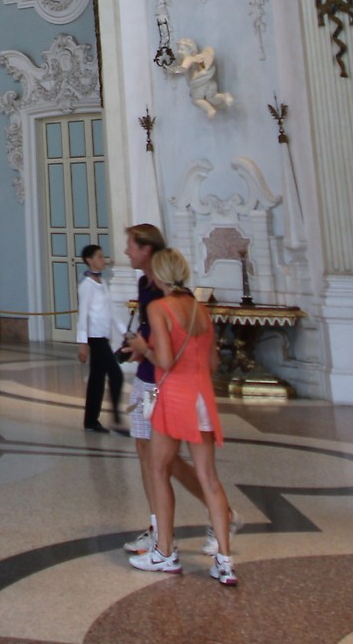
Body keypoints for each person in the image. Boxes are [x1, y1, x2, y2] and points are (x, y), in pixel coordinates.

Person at [129, 247, 238, 585]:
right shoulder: (200, 310)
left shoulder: (158, 308)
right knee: (209, 477)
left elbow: (163, 360)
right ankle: (224, 561)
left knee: (158, 469)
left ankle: (165, 551)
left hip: (174, 397)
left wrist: (142, 348)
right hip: (202, 397)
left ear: (160, 275)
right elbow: (213, 363)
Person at [75, 244, 123, 432]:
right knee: (116, 374)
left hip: (103, 335)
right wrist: (83, 343)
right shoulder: (86, 285)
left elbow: (111, 311)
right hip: (95, 337)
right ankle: (116, 418)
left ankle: (90, 421)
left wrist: (124, 332)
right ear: (89, 260)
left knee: (97, 378)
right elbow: (83, 315)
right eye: (100, 257)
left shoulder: (102, 283)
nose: (104, 260)